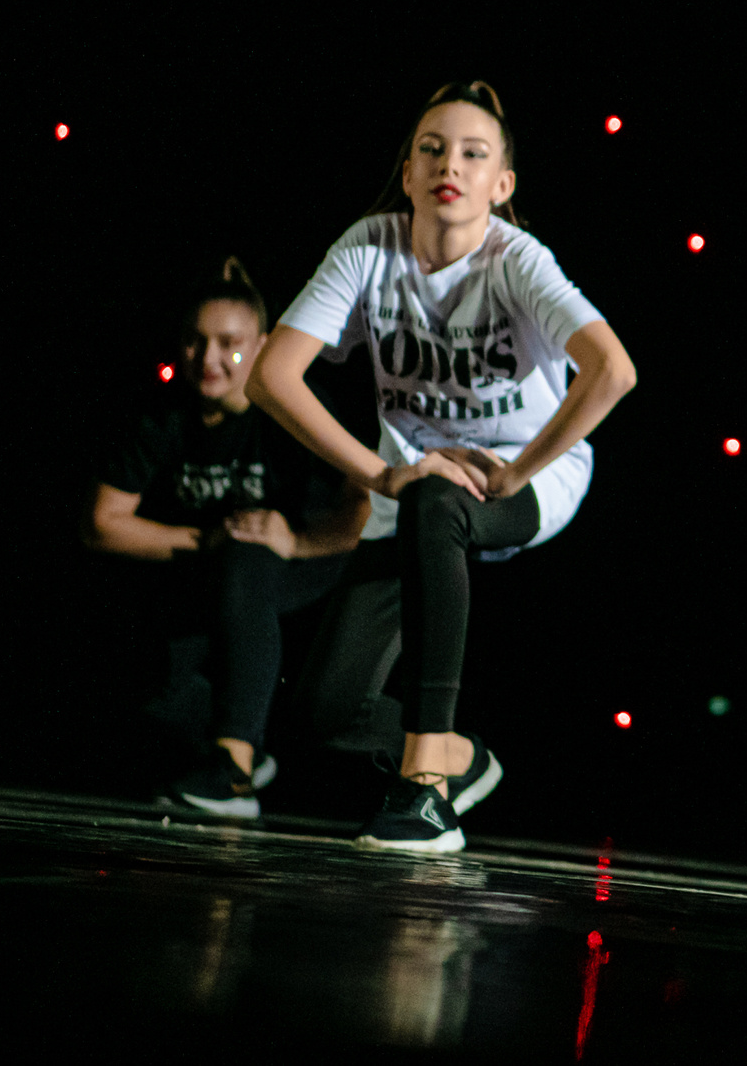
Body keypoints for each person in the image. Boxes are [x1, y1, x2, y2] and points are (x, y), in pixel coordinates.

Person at [250, 80, 639, 854]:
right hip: (412, 483)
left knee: (438, 498)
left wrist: (518, 469)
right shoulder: (369, 247)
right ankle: (462, 757)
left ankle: (425, 788)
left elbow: (613, 370)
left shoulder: (517, 258)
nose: (447, 164)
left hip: (528, 479)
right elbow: (270, 375)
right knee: (324, 712)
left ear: (502, 185)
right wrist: (376, 471)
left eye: (471, 152)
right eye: (430, 148)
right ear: (407, 172)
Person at [82, 259, 358, 817]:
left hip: (310, 561)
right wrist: (201, 539)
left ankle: (234, 766)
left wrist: (296, 541)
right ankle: (241, 761)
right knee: (149, 692)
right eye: (195, 342)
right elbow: (103, 522)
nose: (208, 360)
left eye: (229, 345)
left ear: (260, 347)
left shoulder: (294, 409)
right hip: (214, 563)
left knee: (245, 554)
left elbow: (362, 508)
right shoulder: (164, 417)